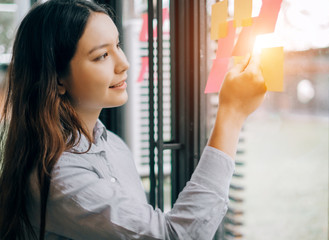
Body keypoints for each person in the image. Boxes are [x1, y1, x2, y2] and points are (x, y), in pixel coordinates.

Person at [0, 0, 266, 239]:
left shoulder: (113, 144)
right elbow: (177, 236)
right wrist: (231, 114)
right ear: (57, 79)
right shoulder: (59, 177)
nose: (124, 63)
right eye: (102, 55)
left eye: (117, 45)